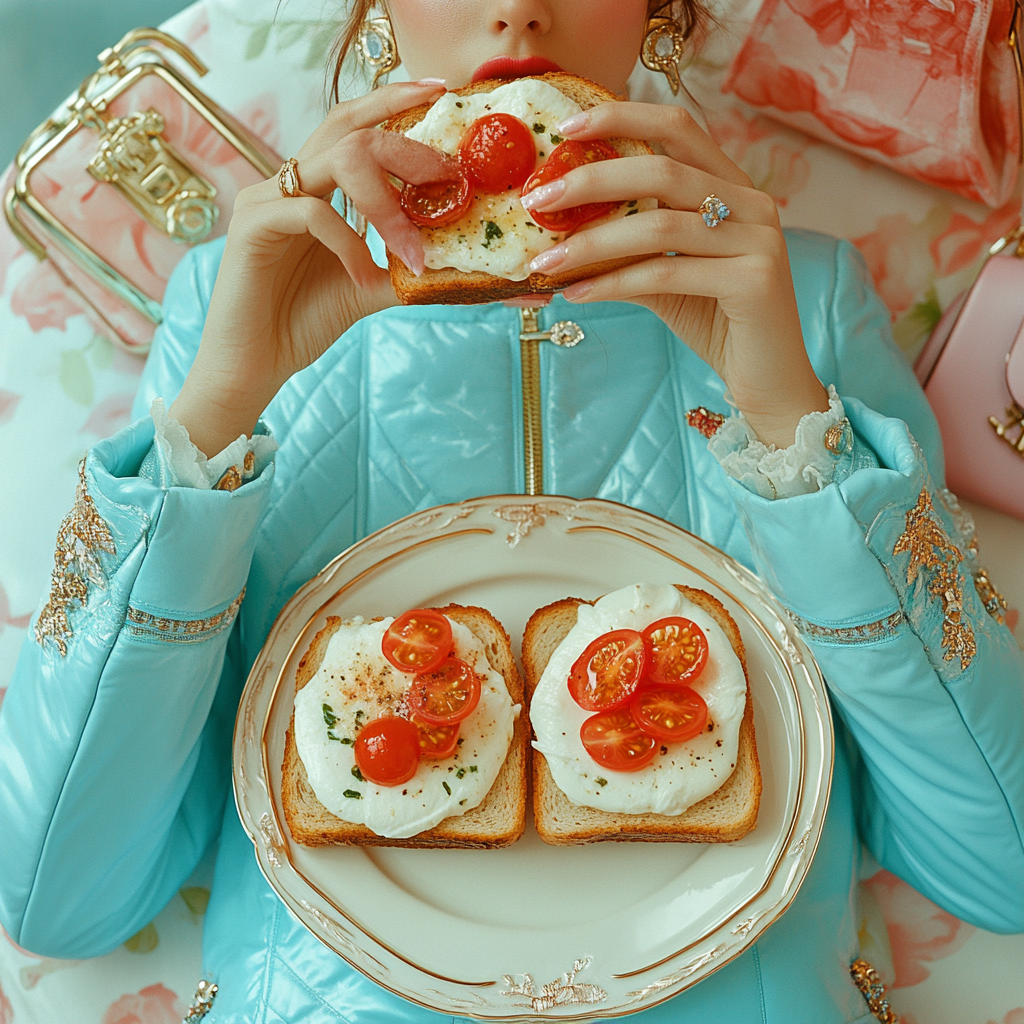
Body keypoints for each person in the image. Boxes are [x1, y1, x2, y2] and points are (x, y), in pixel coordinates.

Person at [1, 1, 1022, 1022]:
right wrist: (217, 412)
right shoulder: (236, 296)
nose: (519, 10)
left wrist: (794, 426)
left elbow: (1000, 873)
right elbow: (59, 897)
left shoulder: (797, 292)